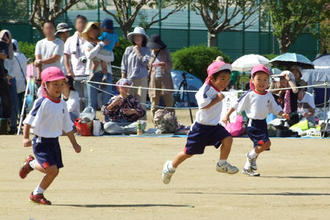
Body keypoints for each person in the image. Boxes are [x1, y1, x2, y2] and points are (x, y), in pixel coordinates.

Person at [161, 61, 239, 185]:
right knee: (188, 153)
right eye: (222, 79)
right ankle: (170, 167)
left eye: (228, 79)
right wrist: (217, 99)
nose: (225, 82)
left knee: (228, 138)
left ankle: (222, 164)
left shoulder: (216, 88)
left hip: (214, 127)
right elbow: (203, 105)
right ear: (212, 78)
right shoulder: (205, 89)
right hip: (200, 128)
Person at [19, 66, 81, 205]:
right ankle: (31, 163)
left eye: (61, 84)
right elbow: (28, 120)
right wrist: (25, 137)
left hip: (54, 142)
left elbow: (68, 126)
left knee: (54, 172)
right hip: (41, 142)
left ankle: (37, 194)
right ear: (45, 85)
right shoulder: (42, 102)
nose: (58, 87)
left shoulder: (63, 104)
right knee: (51, 169)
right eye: (54, 84)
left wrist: (74, 143)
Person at [223, 65, 289, 177]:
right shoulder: (249, 94)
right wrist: (227, 115)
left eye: (265, 79)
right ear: (252, 80)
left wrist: (282, 114)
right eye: (258, 79)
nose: (262, 82)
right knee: (266, 143)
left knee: (258, 147)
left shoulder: (268, 95)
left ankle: (247, 168)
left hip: (262, 124)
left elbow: (275, 108)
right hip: (252, 124)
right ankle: (250, 156)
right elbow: (236, 104)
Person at [83, 22, 114, 110]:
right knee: (92, 103)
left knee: (107, 102)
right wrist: (99, 46)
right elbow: (89, 55)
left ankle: (108, 122)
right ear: (87, 32)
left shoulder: (106, 42)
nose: (94, 32)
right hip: (92, 75)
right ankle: (91, 121)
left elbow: (111, 58)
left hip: (106, 73)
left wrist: (99, 56)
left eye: (95, 29)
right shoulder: (87, 44)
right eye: (91, 30)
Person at [121, 27, 150, 118]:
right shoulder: (128, 49)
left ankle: (141, 124)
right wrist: (123, 78)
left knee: (141, 101)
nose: (137, 38)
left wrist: (138, 52)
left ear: (143, 38)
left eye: (139, 36)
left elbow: (146, 63)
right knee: (129, 101)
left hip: (142, 79)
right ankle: (131, 123)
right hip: (129, 80)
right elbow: (124, 64)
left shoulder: (147, 50)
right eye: (135, 36)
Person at [147, 34, 174, 118]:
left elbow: (171, 65)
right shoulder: (150, 53)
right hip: (153, 80)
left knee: (169, 102)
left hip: (165, 79)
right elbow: (147, 66)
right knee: (154, 103)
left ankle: (172, 121)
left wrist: (164, 64)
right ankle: (155, 122)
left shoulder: (166, 52)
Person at [3, 30, 19, 134]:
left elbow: (15, 68)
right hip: (2, 79)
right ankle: (3, 127)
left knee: (13, 104)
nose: (4, 40)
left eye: (6, 38)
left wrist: (9, 76)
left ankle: (13, 127)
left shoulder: (13, 53)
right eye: (2, 38)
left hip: (10, 80)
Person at [11, 39, 27, 116]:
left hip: (14, 83)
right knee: (22, 102)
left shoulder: (12, 57)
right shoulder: (23, 55)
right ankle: (22, 117)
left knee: (14, 102)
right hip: (22, 83)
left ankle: (15, 118)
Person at [0, 30, 11, 124]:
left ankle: (4, 122)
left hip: (2, 76)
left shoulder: (3, 44)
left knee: (5, 101)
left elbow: (4, 56)